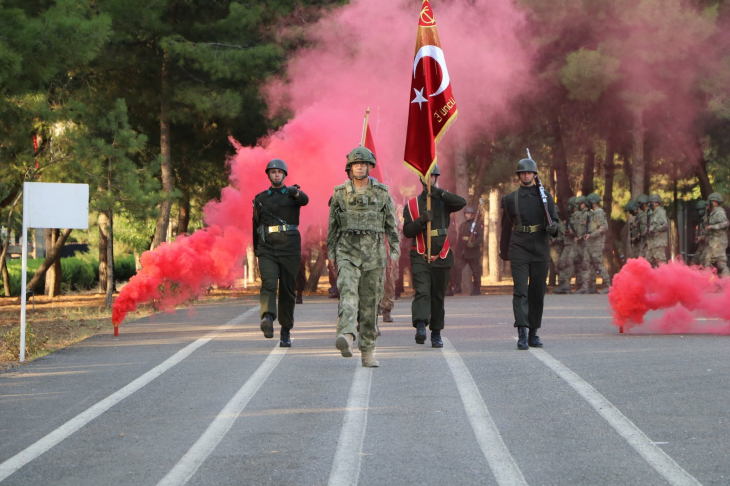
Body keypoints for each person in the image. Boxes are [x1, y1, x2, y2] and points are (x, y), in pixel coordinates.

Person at [328, 147, 399, 367]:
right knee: (348, 293)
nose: (359, 166)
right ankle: (347, 336)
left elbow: (391, 226)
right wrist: (331, 254)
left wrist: (394, 252)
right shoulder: (339, 194)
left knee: (369, 305)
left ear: (370, 167)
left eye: (363, 163)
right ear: (349, 168)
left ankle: (367, 351)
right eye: (355, 164)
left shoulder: (382, 193)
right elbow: (332, 227)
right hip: (347, 251)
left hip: (374, 256)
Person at [403, 164, 466, 348]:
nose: (430, 179)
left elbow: (461, 202)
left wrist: (439, 193)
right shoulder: (412, 204)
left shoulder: (443, 200)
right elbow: (407, 231)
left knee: (438, 295)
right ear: (421, 179)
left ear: (436, 178)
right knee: (422, 291)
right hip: (420, 254)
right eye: (427, 177)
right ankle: (421, 325)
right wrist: (422, 220)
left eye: (433, 176)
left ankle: (436, 332)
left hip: (442, 254)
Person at [500, 156, 558, 350]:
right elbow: (506, 226)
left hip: (541, 246)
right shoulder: (510, 199)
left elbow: (555, 221)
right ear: (519, 176)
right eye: (523, 172)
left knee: (537, 291)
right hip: (519, 246)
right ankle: (522, 332)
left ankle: (534, 331)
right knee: (520, 290)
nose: (526, 175)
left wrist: (553, 229)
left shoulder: (546, 197)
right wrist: (503, 250)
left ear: (534, 175)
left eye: (529, 172)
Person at [253, 159, 309, 347]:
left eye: (280, 172)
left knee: (287, 289)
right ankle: (267, 317)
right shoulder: (260, 199)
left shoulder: (293, 195)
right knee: (268, 283)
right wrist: (256, 250)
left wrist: (296, 193)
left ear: (285, 175)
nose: (276, 174)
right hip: (267, 248)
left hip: (290, 247)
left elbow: (305, 200)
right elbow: (256, 225)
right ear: (268, 175)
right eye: (273, 172)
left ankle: (285, 330)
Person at [584, 193, 611, 293]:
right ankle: (588, 287)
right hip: (590, 243)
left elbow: (604, 227)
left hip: (597, 243)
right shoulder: (593, 213)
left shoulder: (599, 213)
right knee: (587, 263)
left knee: (598, 264)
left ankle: (608, 285)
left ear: (594, 202)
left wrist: (591, 235)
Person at [455, 206, 484, 296]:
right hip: (463, 252)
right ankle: (458, 287)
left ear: (472, 215)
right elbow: (459, 239)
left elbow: (480, 238)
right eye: (465, 214)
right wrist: (457, 251)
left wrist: (473, 244)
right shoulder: (463, 225)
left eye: (468, 214)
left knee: (476, 272)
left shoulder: (477, 225)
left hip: (473, 253)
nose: (466, 215)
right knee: (457, 268)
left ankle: (477, 289)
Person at [554, 197, 577, 294]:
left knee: (568, 264)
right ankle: (563, 285)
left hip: (572, 244)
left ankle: (566, 286)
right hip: (567, 243)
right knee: (562, 263)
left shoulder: (577, 217)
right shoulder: (571, 217)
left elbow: (578, 231)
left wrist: (569, 233)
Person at [703, 192, 729, 276]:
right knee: (707, 262)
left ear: (716, 202)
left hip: (719, 242)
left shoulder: (719, 212)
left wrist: (713, 227)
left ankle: (727, 283)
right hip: (713, 242)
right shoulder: (712, 213)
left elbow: (726, 223)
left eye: (711, 201)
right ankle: (706, 283)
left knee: (721, 264)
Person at [569, 195, 591, 294]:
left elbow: (588, 228)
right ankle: (582, 285)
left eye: (580, 204)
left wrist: (582, 236)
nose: (578, 206)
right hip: (580, 241)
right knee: (581, 263)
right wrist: (577, 236)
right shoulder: (582, 214)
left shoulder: (587, 214)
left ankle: (588, 286)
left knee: (586, 263)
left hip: (586, 242)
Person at [646, 194, 669, 267]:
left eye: (651, 202)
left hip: (658, 243)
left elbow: (665, 225)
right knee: (648, 263)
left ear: (656, 202)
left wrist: (654, 229)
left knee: (661, 263)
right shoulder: (652, 213)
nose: (649, 204)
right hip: (652, 243)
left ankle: (665, 278)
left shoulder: (660, 212)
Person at [692, 200, 708, 266]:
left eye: (701, 209)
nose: (700, 212)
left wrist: (702, 237)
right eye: (698, 210)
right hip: (702, 244)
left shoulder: (708, 219)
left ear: (705, 209)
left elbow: (710, 233)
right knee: (694, 260)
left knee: (702, 261)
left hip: (708, 245)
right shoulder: (702, 219)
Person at [636, 194, 650, 259]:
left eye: (640, 204)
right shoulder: (643, 213)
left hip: (649, 240)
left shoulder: (649, 212)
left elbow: (646, 222)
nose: (639, 206)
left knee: (649, 259)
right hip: (643, 239)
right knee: (641, 258)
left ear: (644, 204)